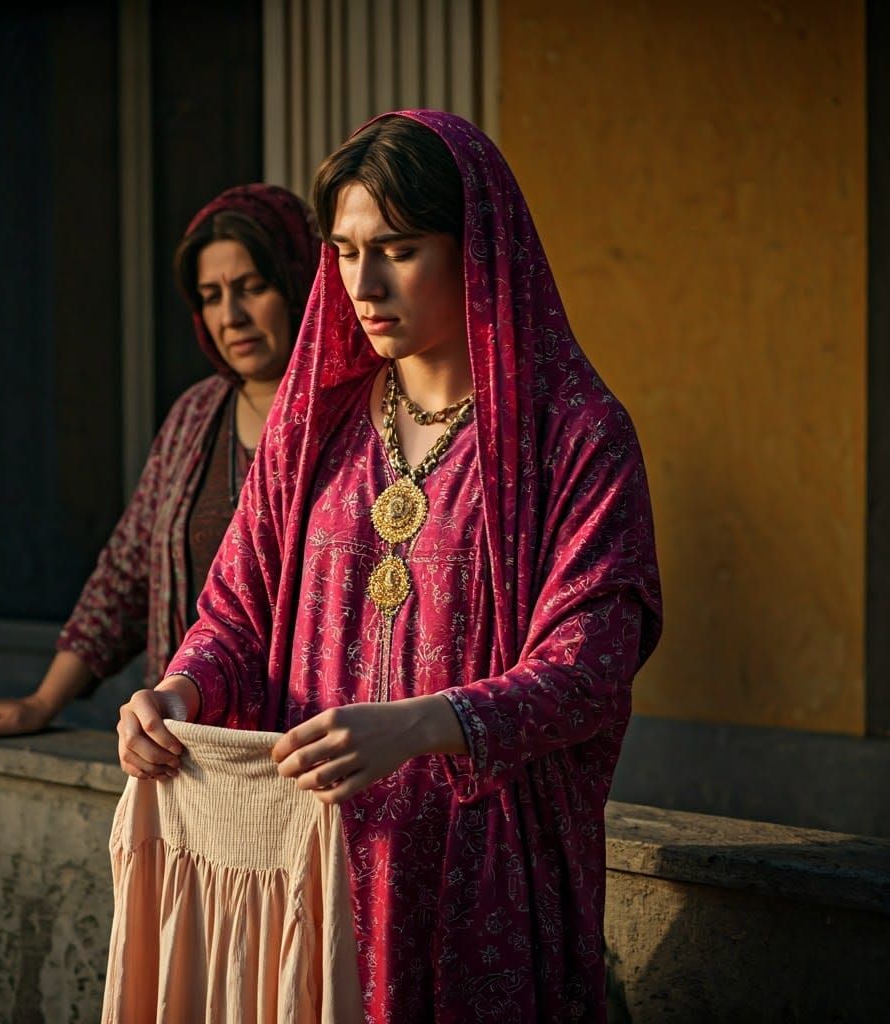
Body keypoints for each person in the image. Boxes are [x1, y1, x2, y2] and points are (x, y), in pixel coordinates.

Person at [117, 112, 662, 1021]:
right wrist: (179, 691)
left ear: (477, 250)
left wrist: (422, 725)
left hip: (474, 878)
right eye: (342, 251)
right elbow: (236, 616)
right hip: (313, 863)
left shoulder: (573, 436)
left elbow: (590, 666)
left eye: (398, 251)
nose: (362, 285)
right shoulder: (315, 425)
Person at [0, 185, 320, 742]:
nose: (231, 316)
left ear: (300, 283)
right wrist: (42, 701)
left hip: (309, 750)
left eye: (253, 288)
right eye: (210, 295)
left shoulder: (347, 417)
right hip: (188, 751)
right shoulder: (196, 416)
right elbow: (127, 574)